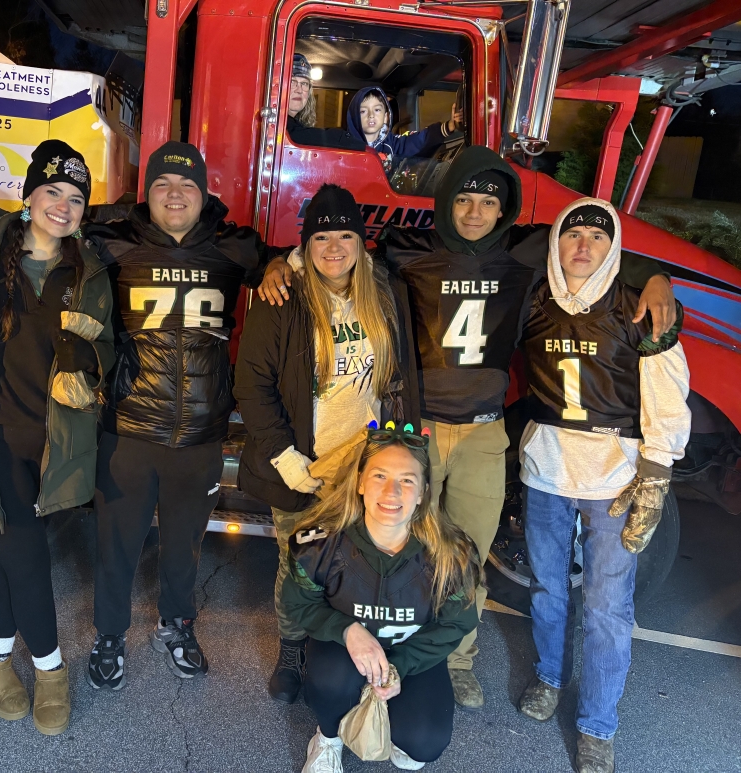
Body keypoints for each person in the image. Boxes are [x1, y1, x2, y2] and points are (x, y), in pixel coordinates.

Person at [258, 145, 678, 710]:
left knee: (470, 556)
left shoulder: (525, 251)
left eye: (488, 201)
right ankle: (376, 648)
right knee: (405, 544)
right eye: (464, 199)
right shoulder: (409, 249)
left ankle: (456, 660)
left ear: (502, 209)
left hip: (483, 432)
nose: (476, 212)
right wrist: (282, 262)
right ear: (445, 200)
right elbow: (337, 250)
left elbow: (587, 249)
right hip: (416, 429)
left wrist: (656, 277)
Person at [0, 141, 115, 735]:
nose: (63, 207)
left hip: (56, 442)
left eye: (75, 198)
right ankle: (51, 668)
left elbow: (109, 351)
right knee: (29, 555)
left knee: (15, 553)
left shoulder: (88, 273)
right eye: (53, 192)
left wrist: (87, 359)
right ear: (29, 194)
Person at [85, 141, 269, 689]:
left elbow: (289, 261)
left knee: (185, 544)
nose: (174, 194)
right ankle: (109, 633)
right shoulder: (115, 243)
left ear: (204, 192)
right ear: (148, 193)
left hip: (201, 432)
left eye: (187, 185)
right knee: (117, 543)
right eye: (163, 184)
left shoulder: (236, 248)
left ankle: (177, 623)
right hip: (130, 427)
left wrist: (285, 263)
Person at [515, 199, 690, 773]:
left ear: (613, 247)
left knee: (608, 605)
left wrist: (657, 470)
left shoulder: (636, 307)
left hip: (613, 470)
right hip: (546, 465)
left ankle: (597, 722)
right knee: (546, 587)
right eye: (573, 233)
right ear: (556, 243)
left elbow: (666, 386)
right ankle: (548, 675)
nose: (584, 244)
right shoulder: (534, 296)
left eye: (597, 234)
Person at [234, 183, 417, 704]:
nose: (333, 247)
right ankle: (291, 649)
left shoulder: (380, 292)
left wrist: (399, 448)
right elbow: (252, 383)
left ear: (361, 242)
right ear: (305, 245)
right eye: (321, 238)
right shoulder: (283, 295)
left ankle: (346, 652)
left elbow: (398, 377)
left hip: (365, 463)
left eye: (345, 235)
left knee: (356, 563)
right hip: (305, 466)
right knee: (299, 565)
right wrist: (287, 460)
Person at [283, 425, 480, 773]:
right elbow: (299, 603)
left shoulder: (453, 555)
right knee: (330, 680)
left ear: (423, 492)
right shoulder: (320, 544)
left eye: (407, 480)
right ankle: (328, 737)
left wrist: (400, 665)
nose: (392, 491)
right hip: (343, 653)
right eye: (379, 475)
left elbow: (455, 624)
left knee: (424, 743)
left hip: (412, 655)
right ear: (360, 483)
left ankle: (395, 714)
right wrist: (346, 630)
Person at [345, 86, 462, 174]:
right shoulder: (345, 145)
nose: (371, 115)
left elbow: (417, 141)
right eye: (363, 111)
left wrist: (450, 125)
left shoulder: (392, 143)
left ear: (386, 116)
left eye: (377, 110)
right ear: (354, 117)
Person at [287, 53, 365, 151]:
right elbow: (298, 135)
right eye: (292, 82)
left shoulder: (297, 125)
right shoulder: (280, 126)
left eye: (304, 83)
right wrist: (345, 139)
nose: (299, 90)